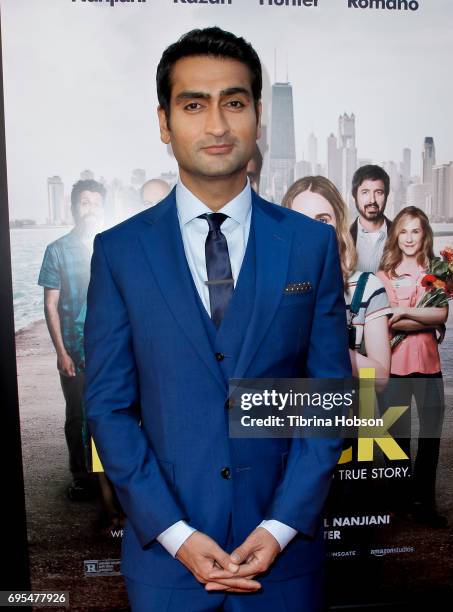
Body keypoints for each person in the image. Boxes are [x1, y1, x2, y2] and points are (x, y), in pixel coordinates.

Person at [84, 27, 351, 611]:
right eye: (193, 104)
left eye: (234, 102)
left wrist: (282, 525)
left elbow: (329, 398)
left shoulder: (309, 246)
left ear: (258, 116)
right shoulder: (119, 252)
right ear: (164, 122)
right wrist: (176, 535)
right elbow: (108, 407)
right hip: (165, 569)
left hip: (285, 566)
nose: (217, 125)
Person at [377, 206, 448, 528]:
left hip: (431, 367)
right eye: (403, 231)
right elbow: (388, 323)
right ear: (396, 235)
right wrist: (413, 316)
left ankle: (424, 504)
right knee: (398, 438)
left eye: (415, 231)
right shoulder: (384, 275)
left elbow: (442, 315)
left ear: (424, 235)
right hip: (396, 369)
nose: (409, 237)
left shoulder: (436, 271)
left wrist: (403, 312)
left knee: (431, 438)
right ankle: (397, 501)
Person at [282, 176, 391, 383]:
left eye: (322, 220)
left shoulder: (367, 287)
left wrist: (321, 343)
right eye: (300, 219)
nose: (312, 231)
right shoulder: (272, 287)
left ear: (339, 224)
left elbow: (381, 377)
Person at [39, 179, 105, 501]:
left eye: (94, 202)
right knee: (76, 414)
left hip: (109, 348)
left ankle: (103, 476)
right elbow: (50, 304)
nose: (88, 208)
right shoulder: (57, 250)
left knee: (106, 413)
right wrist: (60, 352)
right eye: (83, 202)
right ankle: (82, 478)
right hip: (73, 348)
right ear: (74, 207)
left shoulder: (111, 245)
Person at [350, 165, 392, 273]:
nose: (372, 200)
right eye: (365, 192)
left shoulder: (402, 235)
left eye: (379, 192)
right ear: (354, 196)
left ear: (386, 195)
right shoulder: (341, 239)